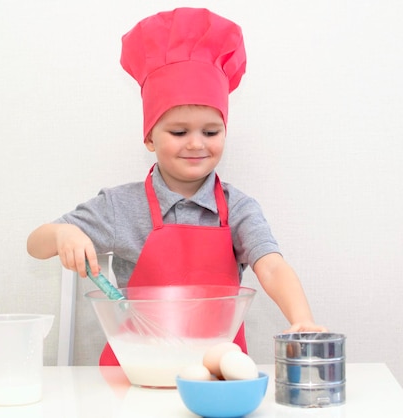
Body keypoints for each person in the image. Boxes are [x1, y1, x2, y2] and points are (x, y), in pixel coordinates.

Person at [27, 7, 327, 365]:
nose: (197, 144)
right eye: (179, 132)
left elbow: (272, 266)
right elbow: (36, 245)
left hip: (215, 376)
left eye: (211, 132)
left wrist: (302, 318)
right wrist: (63, 236)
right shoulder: (120, 206)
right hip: (136, 375)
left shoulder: (239, 209)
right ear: (150, 138)